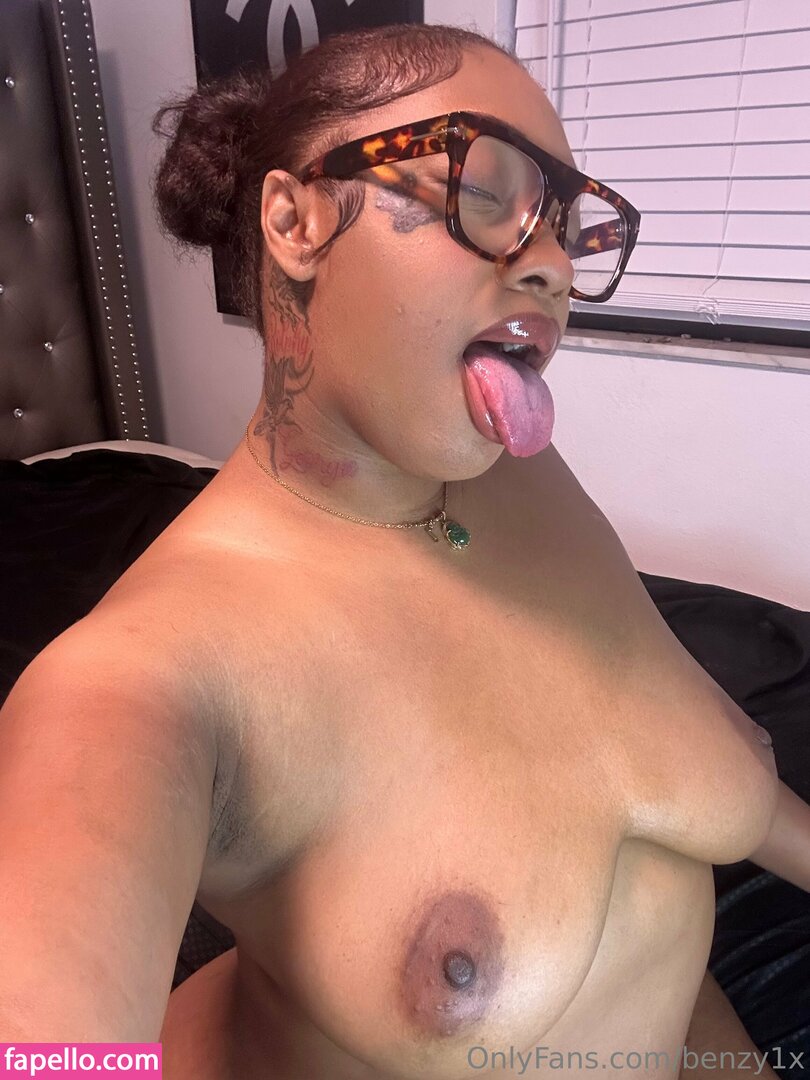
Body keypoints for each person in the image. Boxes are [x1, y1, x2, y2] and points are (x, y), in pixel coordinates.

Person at [0, 20, 808, 1080]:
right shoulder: (141, 685)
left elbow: (681, 776)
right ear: (295, 221)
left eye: (567, 227)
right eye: (488, 191)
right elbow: (54, 1041)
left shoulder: (523, 483)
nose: (554, 265)